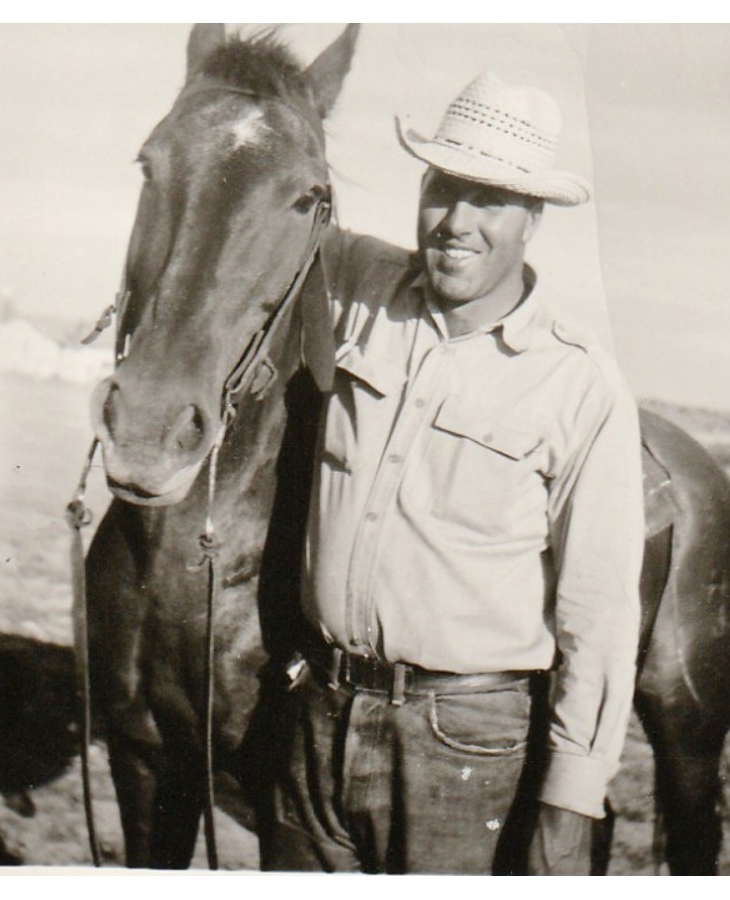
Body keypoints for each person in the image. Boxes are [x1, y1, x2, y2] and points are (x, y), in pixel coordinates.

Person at [264, 70, 644, 874]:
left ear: (531, 220)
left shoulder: (579, 382)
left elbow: (601, 609)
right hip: (317, 714)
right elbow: (258, 210)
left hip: (463, 741)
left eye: (490, 200)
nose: (456, 223)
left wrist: (573, 798)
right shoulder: (359, 284)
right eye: (443, 189)